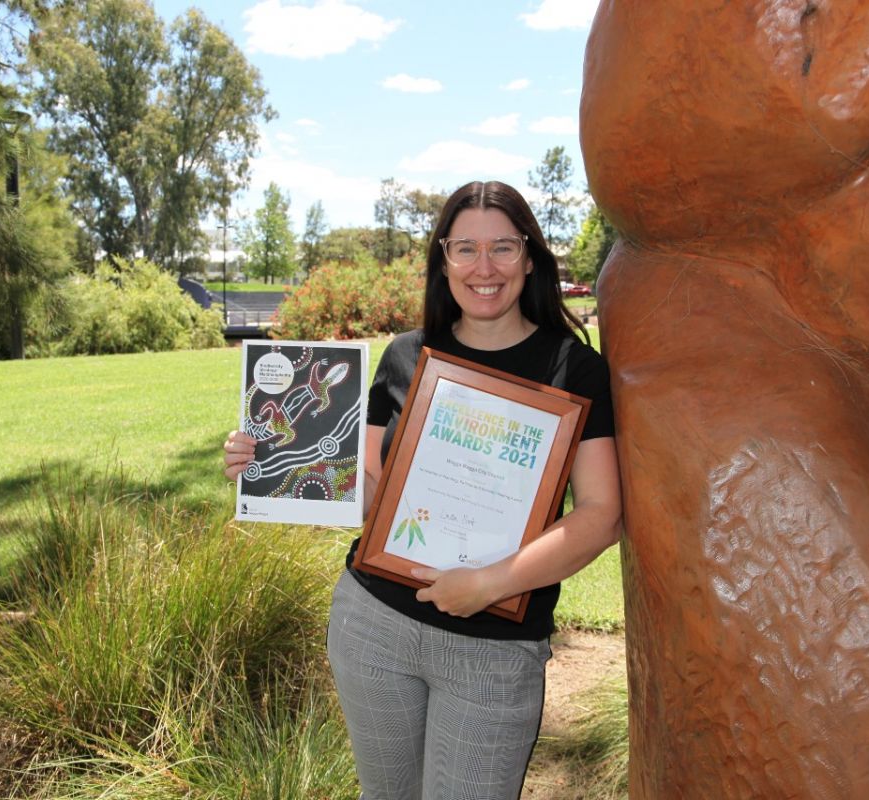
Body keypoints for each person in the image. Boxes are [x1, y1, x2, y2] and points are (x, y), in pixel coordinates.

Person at [223, 180, 622, 800]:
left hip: (494, 647)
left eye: (503, 248)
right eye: (465, 248)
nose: (483, 268)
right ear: (443, 259)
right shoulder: (406, 357)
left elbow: (601, 516)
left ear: (530, 256)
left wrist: (490, 584)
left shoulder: (575, 369)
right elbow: (367, 498)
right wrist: (269, 463)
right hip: (374, 626)